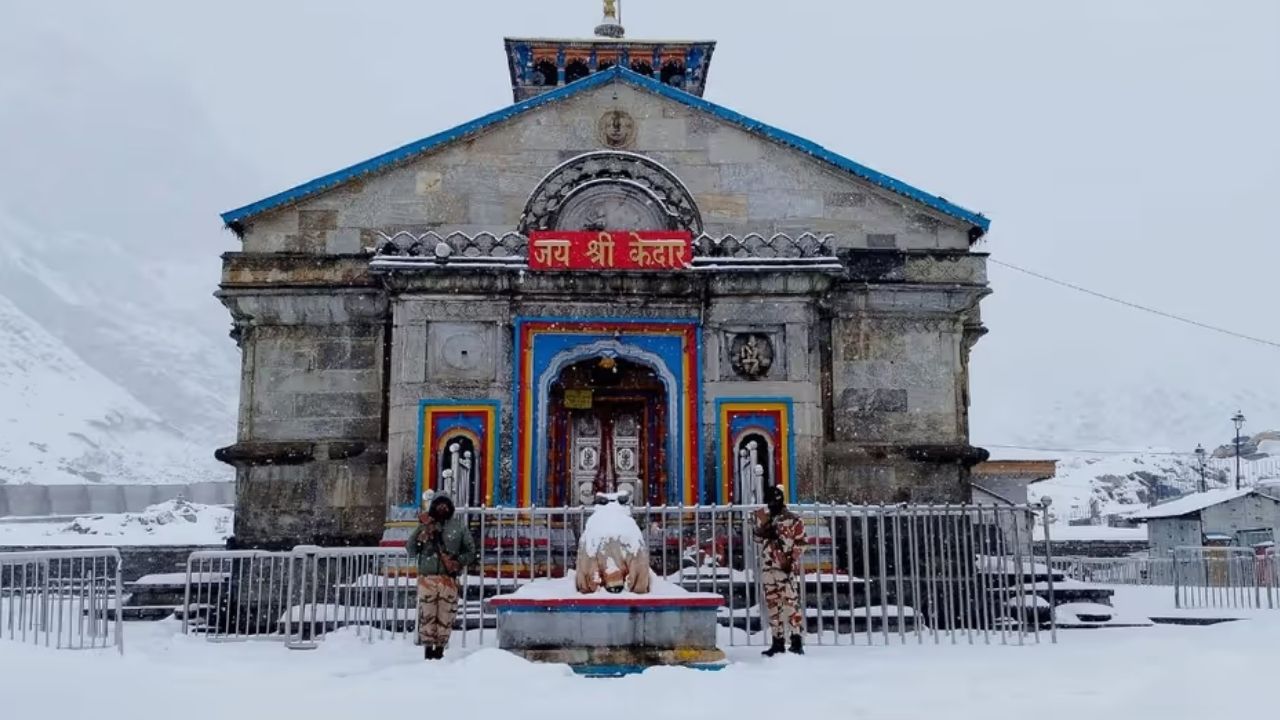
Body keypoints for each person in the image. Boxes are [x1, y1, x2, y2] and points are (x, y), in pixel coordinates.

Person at [407, 491, 476, 660]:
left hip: (448, 579)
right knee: (427, 616)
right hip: (428, 578)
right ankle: (427, 652)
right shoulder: (425, 525)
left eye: (445, 505)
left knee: (446, 617)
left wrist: (458, 562)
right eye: (439, 504)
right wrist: (422, 531)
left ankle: (439, 652)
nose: (442, 508)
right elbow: (411, 548)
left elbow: (470, 551)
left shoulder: (458, 527)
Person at [752, 484, 807, 656]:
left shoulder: (792, 519)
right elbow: (757, 538)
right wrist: (763, 529)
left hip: (784, 568)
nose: (771, 502)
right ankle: (777, 641)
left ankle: (796, 639)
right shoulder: (766, 517)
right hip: (768, 566)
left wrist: (791, 560)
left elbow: (802, 542)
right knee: (772, 605)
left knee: (790, 603)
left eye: (774, 499)